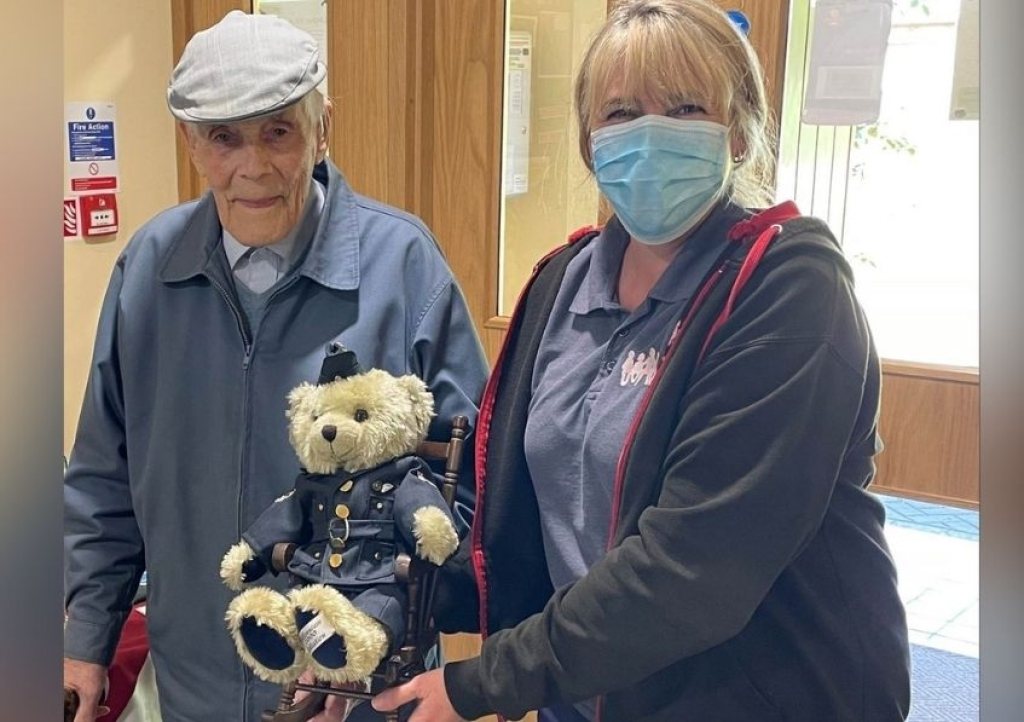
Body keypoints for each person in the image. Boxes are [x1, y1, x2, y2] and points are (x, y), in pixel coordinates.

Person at [372, 1, 911, 720]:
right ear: (591, 143)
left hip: (761, 693)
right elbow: (529, 517)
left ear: (741, 131)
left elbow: (697, 567)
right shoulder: (562, 281)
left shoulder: (790, 290)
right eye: (621, 112)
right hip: (590, 692)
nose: (649, 134)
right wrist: (388, 601)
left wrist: (486, 680)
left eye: (685, 107)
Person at [62, 10, 489, 722]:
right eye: (224, 138)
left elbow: (470, 488)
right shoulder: (149, 268)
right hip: (193, 679)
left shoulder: (404, 266)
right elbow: (104, 479)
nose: (252, 167)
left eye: (278, 132)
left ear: (323, 130)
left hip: (359, 694)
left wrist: (375, 645)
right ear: (193, 144)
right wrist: (85, 639)